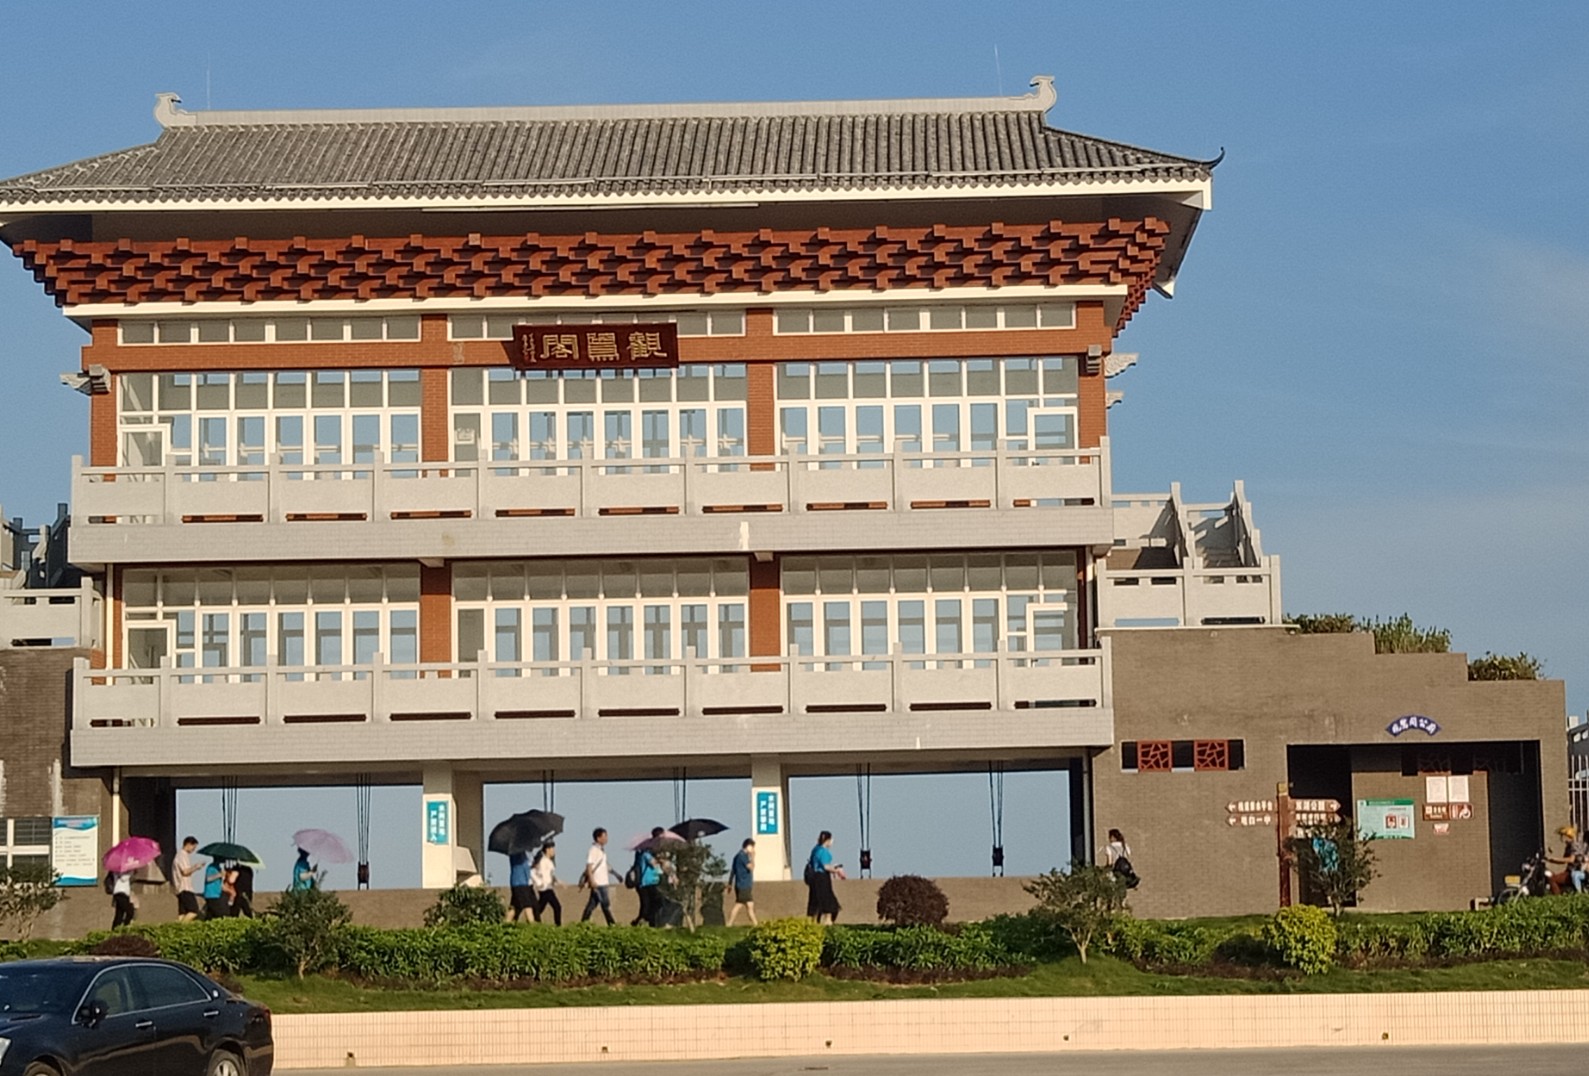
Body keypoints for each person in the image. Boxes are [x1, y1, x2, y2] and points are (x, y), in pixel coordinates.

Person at [804, 831, 842, 925]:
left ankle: (813, 922)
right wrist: (836, 871)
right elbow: (825, 866)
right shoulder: (824, 852)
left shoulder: (815, 849)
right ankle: (827, 922)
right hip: (822, 878)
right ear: (828, 840)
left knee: (815, 901)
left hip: (814, 878)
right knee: (828, 902)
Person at [579, 828, 615, 925]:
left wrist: (615, 874)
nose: (606, 838)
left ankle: (583, 922)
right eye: (604, 836)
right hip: (598, 882)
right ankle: (612, 924)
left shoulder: (601, 851)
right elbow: (589, 867)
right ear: (598, 838)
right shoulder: (593, 850)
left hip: (603, 881)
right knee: (605, 904)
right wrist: (592, 881)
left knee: (592, 904)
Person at [630, 827, 665, 927]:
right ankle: (643, 920)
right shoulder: (646, 852)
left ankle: (648, 923)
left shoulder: (651, 852)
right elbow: (653, 863)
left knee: (652, 904)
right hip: (646, 882)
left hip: (653, 881)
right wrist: (660, 860)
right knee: (651, 904)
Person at [727, 838, 757, 927]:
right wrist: (753, 857)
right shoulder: (743, 856)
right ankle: (730, 923)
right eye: (752, 847)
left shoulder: (736, 856)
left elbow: (733, 871)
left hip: (740, 884)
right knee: (742, 905)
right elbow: (751, 867)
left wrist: (730, 883)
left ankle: (755, 924)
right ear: (748, 846)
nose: (753, 849)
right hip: (744, 884)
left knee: (747, 905)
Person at [530, 841, 562, 926]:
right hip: (545, 888)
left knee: (540, 908)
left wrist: (557, 881)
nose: (554, 851)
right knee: (557, 907)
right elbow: (542, 874)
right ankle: (558, 926)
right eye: (552, 849)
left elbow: (550, 875)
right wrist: (541, 883)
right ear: (547, 850)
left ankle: (533, 920)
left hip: (547, 887)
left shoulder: (548, 861)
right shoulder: (543, 861)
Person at [1547, 825, 1586, 894]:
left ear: (1568, 836)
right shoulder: (1568, 847)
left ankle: (1558, 897)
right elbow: (1564, 860)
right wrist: (1551, 860)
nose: (1561, 838)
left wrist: (1555, 859)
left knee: (1552, 879)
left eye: (1563, 835)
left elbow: (1571, 859)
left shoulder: (1574, 845)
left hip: (1574, 871)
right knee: (1553, 874)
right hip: (1569, 871)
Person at [173, 836, 203, 921]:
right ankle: (182, 926)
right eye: (193, 847)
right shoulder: (182, 855)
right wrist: (196, 867)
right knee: (194, 910)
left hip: (179, 888)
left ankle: (178, 926)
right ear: (189, 844)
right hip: (185, 888)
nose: (193, 850)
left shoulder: (179, 855)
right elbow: (185, 871)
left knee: (182, 913)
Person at [508, 849, 535, 922]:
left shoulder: (522, 854)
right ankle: (533, 926)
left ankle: (504, 924)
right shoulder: (516, 852)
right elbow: (523, 866)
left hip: (521, 882)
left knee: (515, 907)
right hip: (520, 883)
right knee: (528, 906)